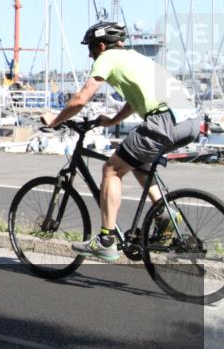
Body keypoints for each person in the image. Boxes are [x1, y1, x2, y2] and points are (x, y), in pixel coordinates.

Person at [41, 21, 199, 261]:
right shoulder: (135, 58)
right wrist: (113, 121)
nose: (90, 54)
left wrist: (55, 120)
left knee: (111, 170)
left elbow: (81, 98)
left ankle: (106, 239)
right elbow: (133, 99)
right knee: (136, 162)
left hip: (165, 120)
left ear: (102, 45)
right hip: (190, 121)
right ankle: (167, 216)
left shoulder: (108, 57)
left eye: (91, 49)